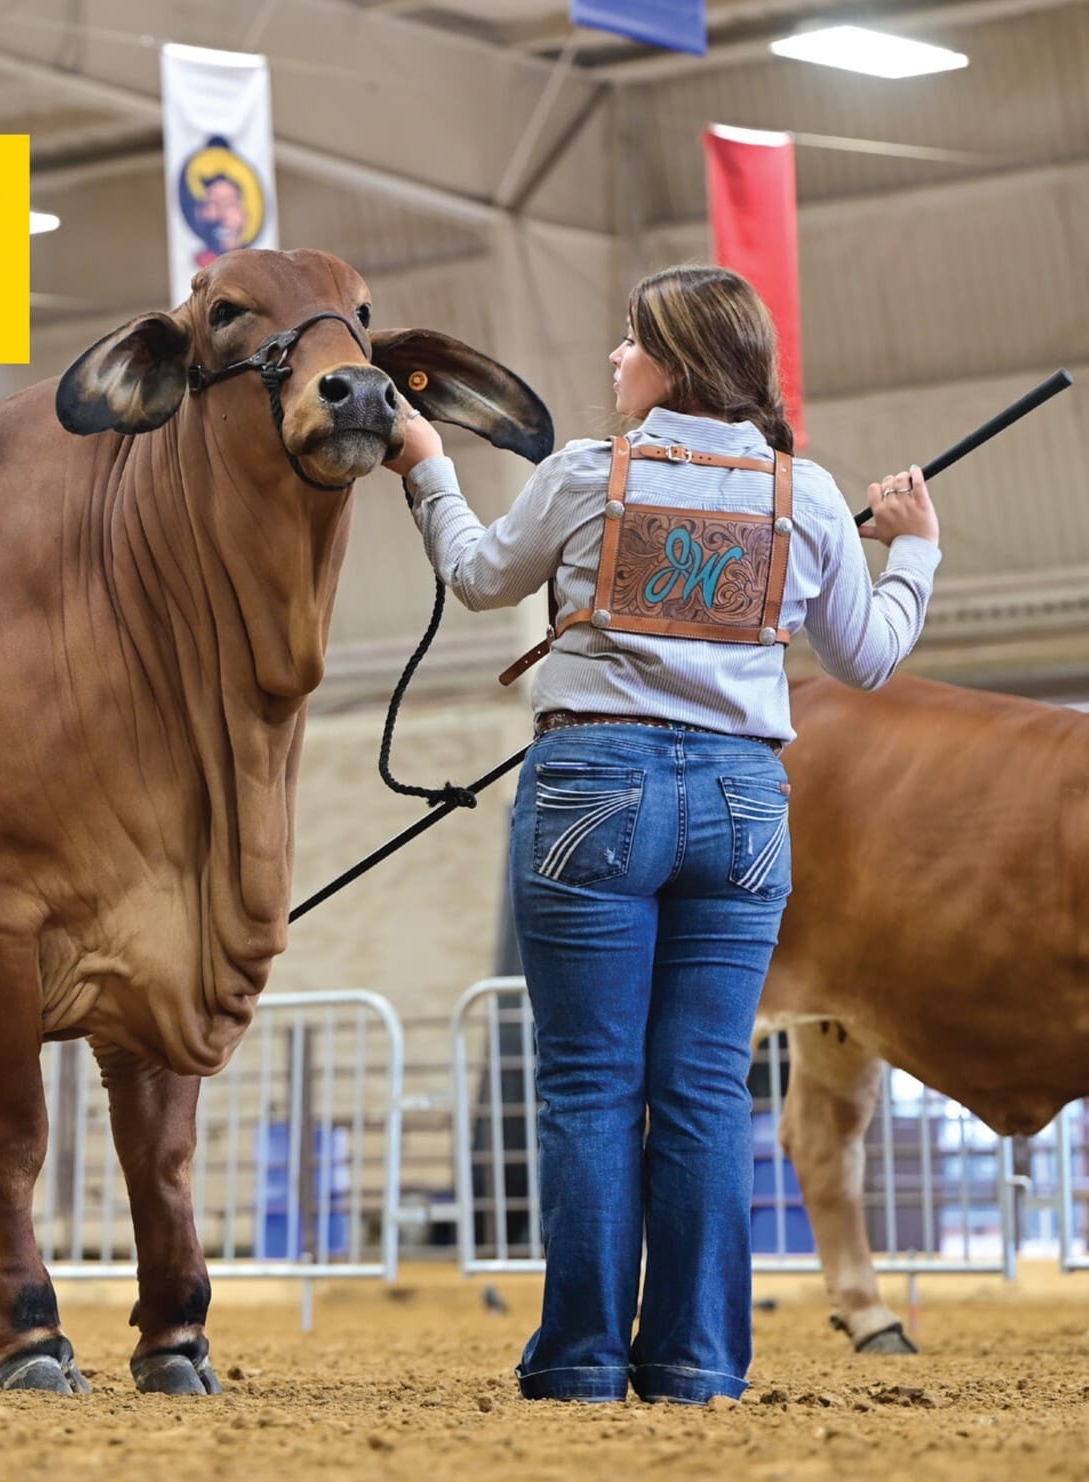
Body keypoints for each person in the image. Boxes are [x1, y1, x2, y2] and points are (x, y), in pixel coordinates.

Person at [383, 264, 940, 1405]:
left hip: (594, 781)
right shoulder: (808, 494)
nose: (613, 360)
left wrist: (430, 470)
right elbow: (868, 656)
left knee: (590, 1084)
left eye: (629, 342)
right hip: (741, 797)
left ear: (674, 363)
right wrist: (914, 548)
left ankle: (582, 1359)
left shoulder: (591, 473)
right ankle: (694, 1360)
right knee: (700, 1091)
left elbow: (482, 575)